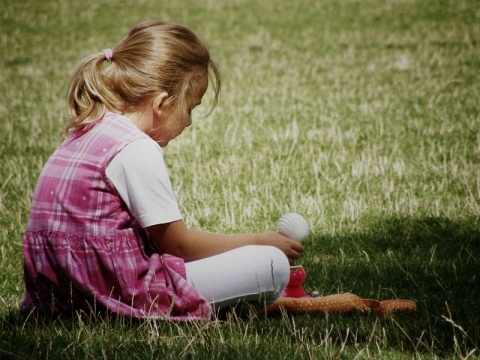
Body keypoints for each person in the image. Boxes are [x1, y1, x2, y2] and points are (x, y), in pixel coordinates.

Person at [21, 20, 304, 320]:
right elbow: (178, 244)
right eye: (190, 108)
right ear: (162, 103)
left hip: (58, 297)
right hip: (120, 294)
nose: (190, 122)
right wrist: (260, 240)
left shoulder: (86, 130)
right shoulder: (135, 148)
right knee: (272, 265)